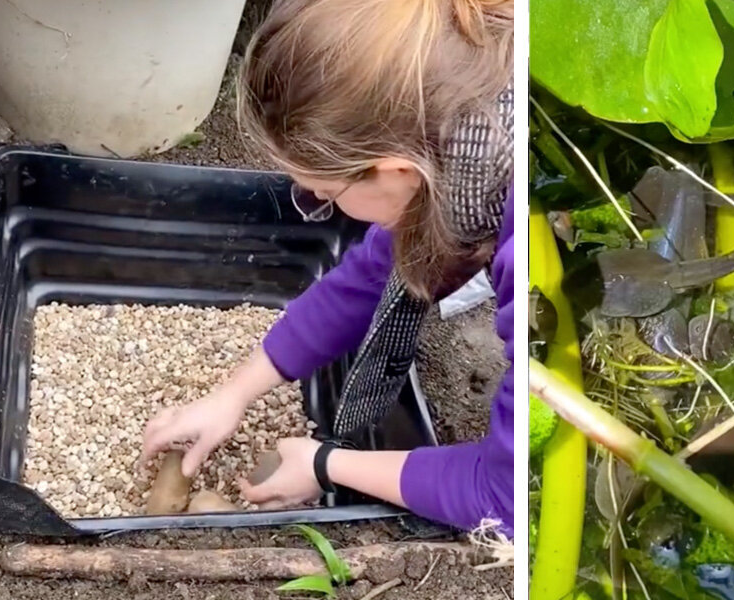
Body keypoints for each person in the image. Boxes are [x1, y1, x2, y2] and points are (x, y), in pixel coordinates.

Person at [140, 0, 514, 536]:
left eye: (323, 195)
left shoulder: (519, 255)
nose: (322, 205)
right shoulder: (456, 137)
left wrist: (326, 465)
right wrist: (233, 393)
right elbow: (368, 279)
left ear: (395, 171)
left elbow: (502, 497)